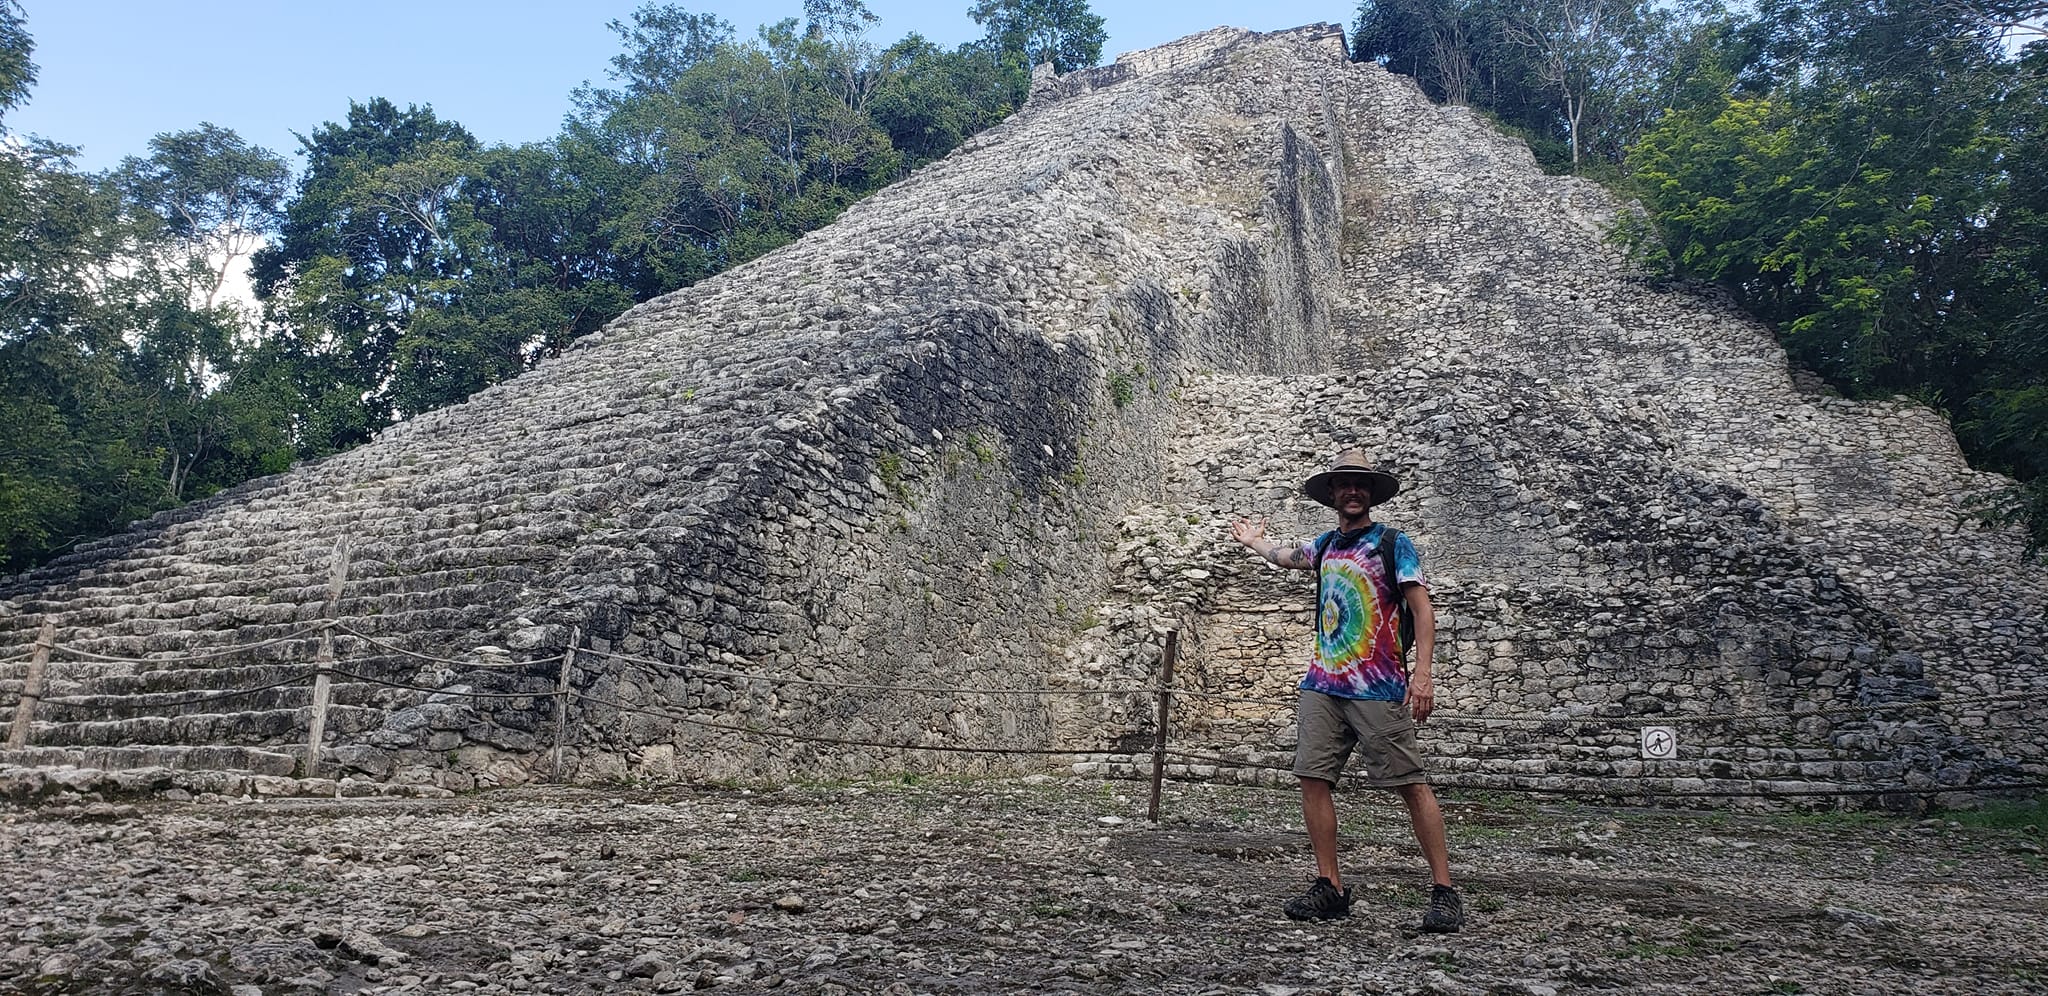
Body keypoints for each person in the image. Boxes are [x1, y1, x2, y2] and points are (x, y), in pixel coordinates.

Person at [1228, 449, 1464, 933]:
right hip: (1323, 683)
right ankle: (1330, 887)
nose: (1352, 491)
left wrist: (1422, 675)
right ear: (1332, 494)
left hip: (1377, 686)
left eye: (1361, 484)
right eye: (1344, 484)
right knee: (1312, 779)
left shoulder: (1393, 543)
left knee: (1410, 784)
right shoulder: (1325, 545)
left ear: (1370, 494)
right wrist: (1255, 543)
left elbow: (1421, 609)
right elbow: (1285, 558)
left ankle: (1444, 891)